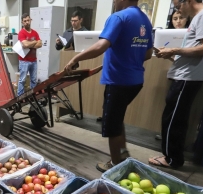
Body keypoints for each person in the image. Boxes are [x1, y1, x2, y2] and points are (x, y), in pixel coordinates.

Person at [64, 0, 154, 172]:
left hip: (118, 81)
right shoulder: (144, 20)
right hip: (136, 81)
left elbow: (101, 46)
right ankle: (123, 153)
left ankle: (115, 165)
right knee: (118, 117)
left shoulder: (118, 17)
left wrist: (76, 58)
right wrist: (130, 60)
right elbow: (148, 53)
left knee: (112, 124)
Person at [149, 0, 203, 169]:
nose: (179, 11)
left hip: (187, 77)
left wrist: (173, 50)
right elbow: (195, 50)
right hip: (185, 75)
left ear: (187, 1)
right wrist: (172, 56)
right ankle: (171, 156)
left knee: (173, 119)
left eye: (178, 5)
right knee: (175, 118)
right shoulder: (200, 17)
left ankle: (172, 159)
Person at [155, 9, 191, 140]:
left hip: (185, 75)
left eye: (181, 18)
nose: (178, 21)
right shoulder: (167, 34)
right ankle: (166, 135)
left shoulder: (191, 35)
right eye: (175, 19)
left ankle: (170, 139)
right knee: (169, 107)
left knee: (178, 111)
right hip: (174, 73)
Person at [17, 13, 42, 97]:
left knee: (34, 80)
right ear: (22, 22)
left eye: (28, 20)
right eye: (25, 21)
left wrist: (30, 43)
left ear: (30, 20)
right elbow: (25, 45)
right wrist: (35, 41)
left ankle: (33, 96)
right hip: (24, 61)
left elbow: (40, 44)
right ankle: (19, 97)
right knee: (22, 80)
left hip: (33, 61)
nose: (27, 22)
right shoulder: (21, 33)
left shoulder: (35, 32)